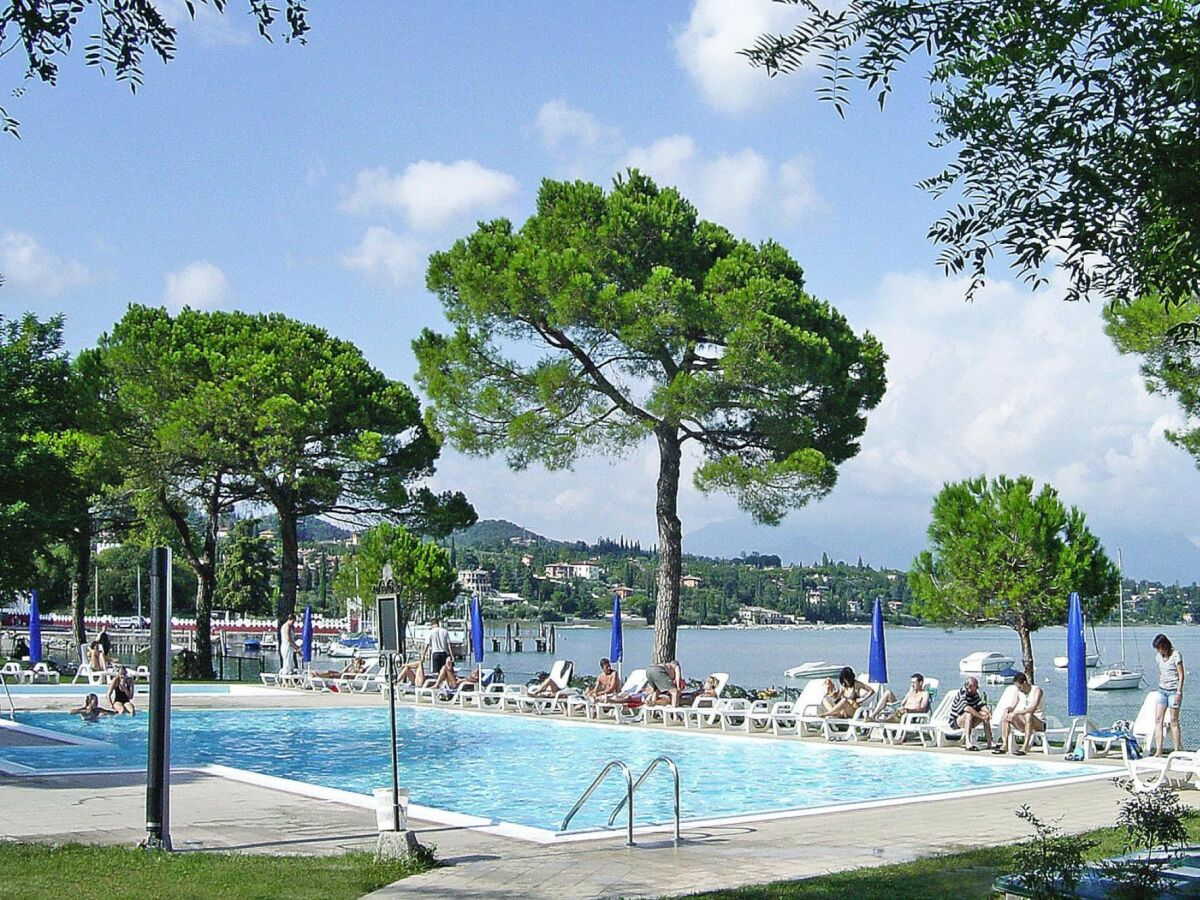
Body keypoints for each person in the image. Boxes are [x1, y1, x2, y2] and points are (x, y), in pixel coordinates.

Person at [1152, 633, 1185, 756]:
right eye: (1158, 648)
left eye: (1161, 647)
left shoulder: (1176, 655)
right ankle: (1159, 749)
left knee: (1173, 721)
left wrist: (1178, 692)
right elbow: (1160, 672)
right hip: (1162, 690)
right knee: (1158, 719)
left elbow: (1181, 675)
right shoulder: (1158, 657)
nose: (1160, 650)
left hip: (1173, 691)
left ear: (1166, 645)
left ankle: (1176, 751)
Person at [995, 672, 1044, 755]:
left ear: (1024, 683)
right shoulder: (1018, 692)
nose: (1019, 689)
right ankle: (1004, 744)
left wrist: (1017, 712)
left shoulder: (1037, 690)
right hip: (1024, 722)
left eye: (1019, 687)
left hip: (1038, 722)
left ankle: (1025, 747)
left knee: (1028, 715)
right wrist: (1008, 710)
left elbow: (1032, 709)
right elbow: (1013, 705)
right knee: (1006, 714)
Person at [949, 676, 991, 750]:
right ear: (970, 686)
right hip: (956, 721)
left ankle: (990, 742)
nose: (977, 689)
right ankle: (968, 742)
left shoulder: (974, 694)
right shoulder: (962, 693)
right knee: (969, 714)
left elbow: (980, 705)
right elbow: (966, 708)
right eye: (976, 687)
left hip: (970, 720)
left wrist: (987, 712)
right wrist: (981, 717)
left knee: (985, 715)